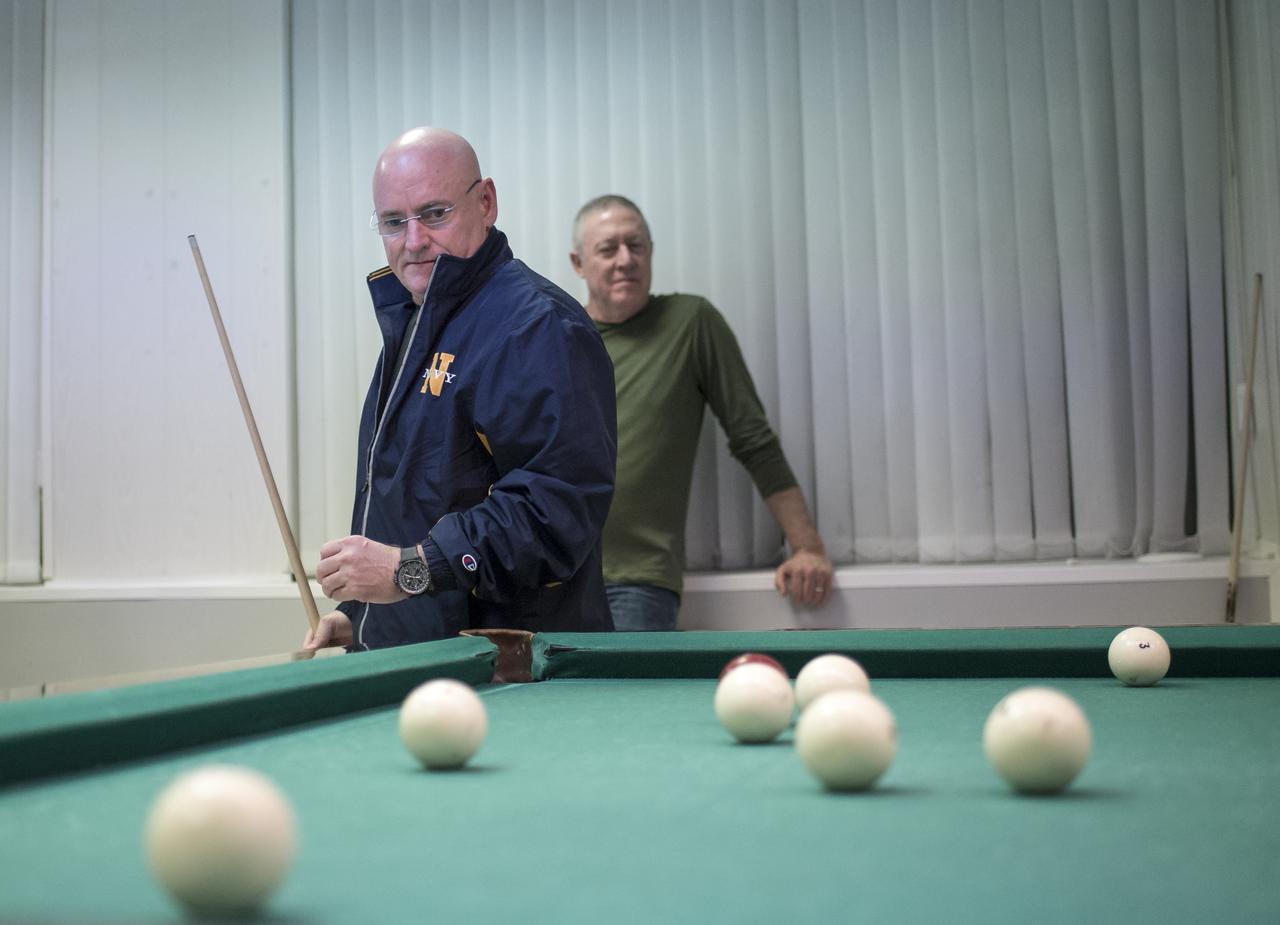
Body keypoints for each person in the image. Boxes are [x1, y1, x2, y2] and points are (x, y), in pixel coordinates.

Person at [304, 128, 617, 651]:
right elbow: (417, 501)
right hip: (418, 660)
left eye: (434, 213)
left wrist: (407, 570)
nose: (414, 240)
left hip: (510, 674)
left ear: (486, 202)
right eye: (393, 222)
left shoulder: (536, 327)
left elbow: (556, 510)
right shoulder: (419, 322)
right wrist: (362, 616)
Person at [569, 195, 833, 631]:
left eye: (636, 245)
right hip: (552, 580)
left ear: (651, 251)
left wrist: (808, 547)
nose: (625, 260)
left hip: (638, 582)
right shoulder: (560, 335)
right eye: (608, 248)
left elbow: (753, 440)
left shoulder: (690, 322)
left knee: (626, 702)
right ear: (578, 263)